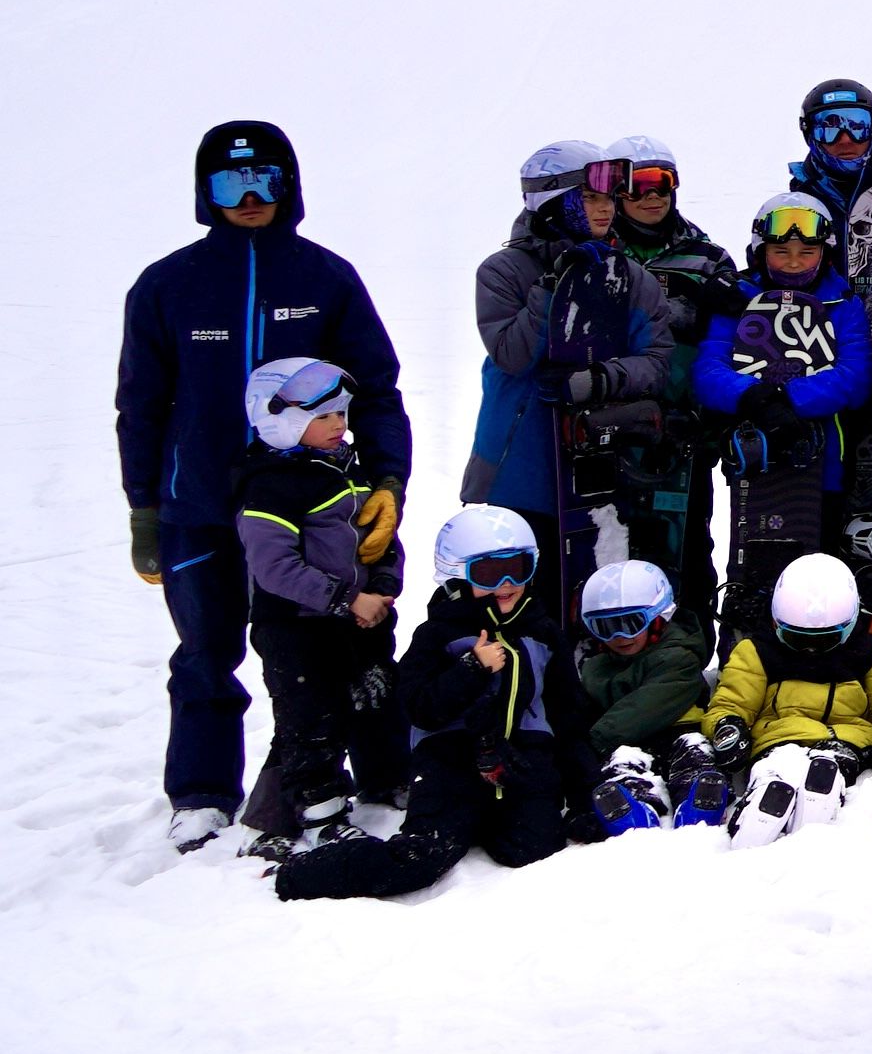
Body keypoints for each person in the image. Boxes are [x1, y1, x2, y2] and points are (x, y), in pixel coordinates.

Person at [119, 120, 415, 850]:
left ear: (290, 187)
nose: (249, 197)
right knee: (204, 651)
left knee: (332, 646)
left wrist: (386, 479)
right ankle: (201, 793)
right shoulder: (168, 286)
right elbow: (141, 403)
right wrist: (144, 510)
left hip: (310, 509)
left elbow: (375, 387)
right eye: (229, 183)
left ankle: (344, 780)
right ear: (204, 192)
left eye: (265, 181)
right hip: (201, 510)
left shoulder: (325, 279)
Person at [273, 507, 596, 901]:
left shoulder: (543, 633)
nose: (508, 583)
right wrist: (472, 668)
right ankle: (304, 875)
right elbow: (419, 707)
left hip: (522, 762)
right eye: (490, 573)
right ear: (457, 575)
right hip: (450, 763)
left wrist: (583, 796)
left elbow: (568, 714)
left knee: (535, 850)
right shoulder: (437, 634)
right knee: (422, 857)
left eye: (519, 567)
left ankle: (488, 818)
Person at [467, 145, 665, 610]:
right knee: (514, 603)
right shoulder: (501, 272)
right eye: (590, 199)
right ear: (553, 202)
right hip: (517, 468)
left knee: (584, 600)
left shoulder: (631, 277)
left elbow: (655, 361)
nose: (606, 210)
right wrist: (554, 288)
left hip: (593, 464)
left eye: (609, 199)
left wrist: (598, 379)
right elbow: (512, 354)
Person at [227, 358, 401, 856]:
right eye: (323, 417)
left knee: (374, 698)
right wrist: (348, 600)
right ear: (277, 419)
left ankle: (386, 779)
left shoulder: (348, 470)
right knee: (311, 717)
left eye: (342, 414)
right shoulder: (271, 484)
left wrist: (385, 582)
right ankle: (317, 812)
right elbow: (274, 568)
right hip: (297, 627)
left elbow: (381, 540)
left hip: (359, 619)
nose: (339, 426)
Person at [690, 189, 872, 635]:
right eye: (781, 251)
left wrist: (790, 399)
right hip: (756, 462)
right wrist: (754, 397)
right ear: (762, 252)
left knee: (817, 562)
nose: (794, 261)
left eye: (806, 251)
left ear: (825, 252)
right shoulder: (738, 300)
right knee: (756, 563)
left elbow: (856, 375)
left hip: (823, 460)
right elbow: (708, 369)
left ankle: (815, 647)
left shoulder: (841, 302)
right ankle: (745, 652)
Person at [596, 134, 738, 611]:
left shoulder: (706, 258)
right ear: (615, 191)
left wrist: (713, 428)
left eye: (661, 184)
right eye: (636, 187)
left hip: (681, 434)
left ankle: (689, 647)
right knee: (609, 541)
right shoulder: (593, 253)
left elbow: (731, 349)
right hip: (605, 430)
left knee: (685, 546)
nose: (650, 196)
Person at [700, 551, 872, 835]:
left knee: (828, 771)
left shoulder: (868, 652)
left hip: (844, 742)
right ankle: (764, 806)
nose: (810, 650)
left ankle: (819, 807)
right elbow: (730, 703)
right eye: (797, 639)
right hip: (778, 740)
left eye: (826, 640)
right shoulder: (757, 652)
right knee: (777, 769)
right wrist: (728, 728)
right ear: (776, 623)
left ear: (851, 623)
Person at [576, 559, 716, 827]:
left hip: (678, 733)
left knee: (693, 756)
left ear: (658, 616)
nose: (619, 636)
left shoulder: (679, 656)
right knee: (622, 764)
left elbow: (642, 709)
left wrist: (593, 740)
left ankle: (699, 801)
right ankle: (632, 808)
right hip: (629, 745)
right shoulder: (596, 667)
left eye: (631, 623)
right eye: (605, 627)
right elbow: (584, 708)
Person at [786, 78, 872, 219]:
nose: (845, 140)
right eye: (829, 130)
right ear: (809, 133)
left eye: (858, 128)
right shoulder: (791, 215)